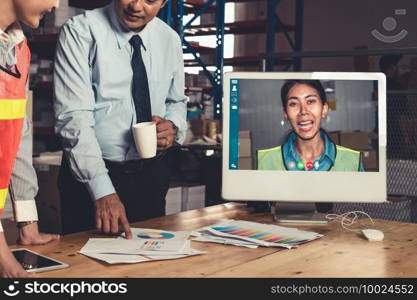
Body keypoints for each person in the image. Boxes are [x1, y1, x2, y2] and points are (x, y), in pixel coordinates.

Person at [54, 0, 187, 237]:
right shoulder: (80, 31)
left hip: (151, 176)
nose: (136, 6)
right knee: (87, 266)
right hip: (92, 179)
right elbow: (74, 117)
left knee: (150, 265)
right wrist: (102, 191)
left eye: (150, 1)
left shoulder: (170, 39)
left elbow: (175, 101)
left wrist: (173, 128)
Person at [0, 0, 60, 278]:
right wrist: (3, 256)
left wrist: (27, 224)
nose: (56, 4)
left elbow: (16, 140)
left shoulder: (18, 49)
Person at [258, 80, 365, 172]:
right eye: (294, 104)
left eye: (310, 101)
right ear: (285, 113)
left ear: (324, 109)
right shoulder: (266, 161)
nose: (303, 111)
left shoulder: (352, 162)